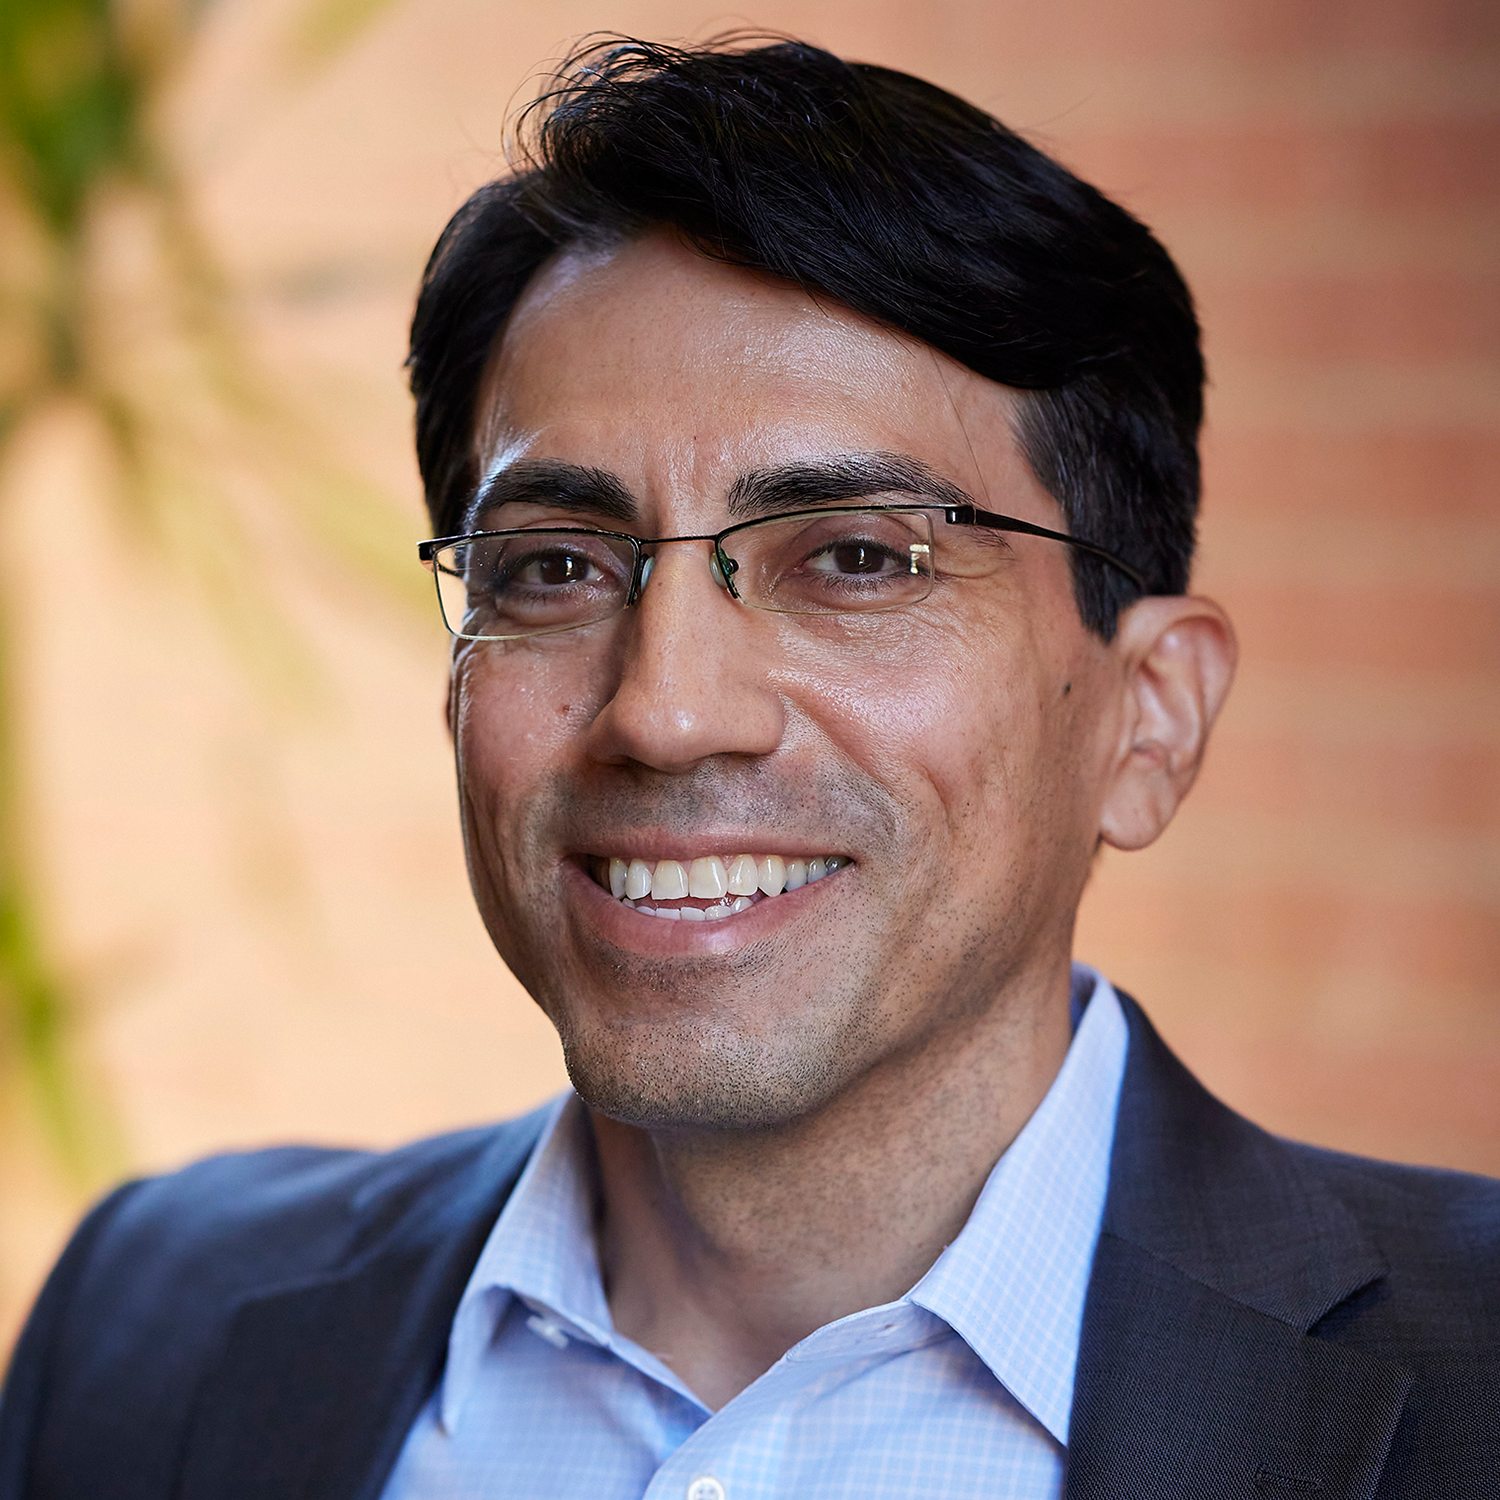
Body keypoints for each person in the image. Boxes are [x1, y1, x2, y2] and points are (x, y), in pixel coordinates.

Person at [2, 35, 1496, 1500]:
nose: (665, 710)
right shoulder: (152, 1332)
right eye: (556, 568)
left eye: (854, 558)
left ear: (1148, 717)